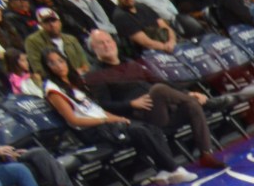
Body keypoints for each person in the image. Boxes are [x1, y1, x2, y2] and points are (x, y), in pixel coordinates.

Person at [42, 47, 195, 183]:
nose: (59, 66)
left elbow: (97, 109)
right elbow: (74, 120)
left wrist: (116, 118)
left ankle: (163, 171)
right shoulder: (53, 91)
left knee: (150, 127)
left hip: (105, 122)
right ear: (46, 67)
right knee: (139, 131)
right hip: (92, 130)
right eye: (52, 63)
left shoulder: (74, 82)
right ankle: (174, 169)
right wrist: (106, 119)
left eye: (60, 61)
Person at [83, 29, 225, 168]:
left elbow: (161, 81)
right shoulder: (95, 74)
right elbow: (103, 105)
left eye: (109, 41)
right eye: (101, 43)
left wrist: (188, 92)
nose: (107, 45)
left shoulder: (130, 63)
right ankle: (209, 103)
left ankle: (206, 155)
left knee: (191, 106)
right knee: (158, 89)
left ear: (115, 42)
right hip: (142, 118)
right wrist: (131, 104)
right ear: (93, 49)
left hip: (165, 109)